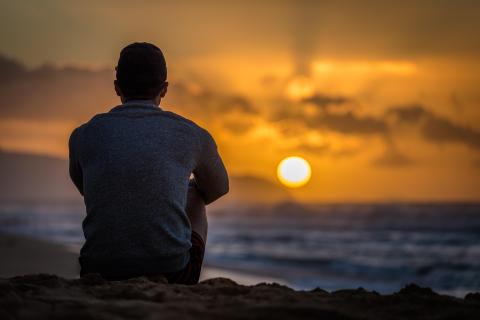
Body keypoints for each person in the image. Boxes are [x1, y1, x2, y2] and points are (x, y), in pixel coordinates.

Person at [68, 42, 229, 284]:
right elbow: (219, 188)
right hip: (171, 272)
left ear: (116, 87)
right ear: (164, 89)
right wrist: (183, 188)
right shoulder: (192, 134)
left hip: (98, 270)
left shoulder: (83, 135)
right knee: (195, 194)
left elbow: (86, 189)